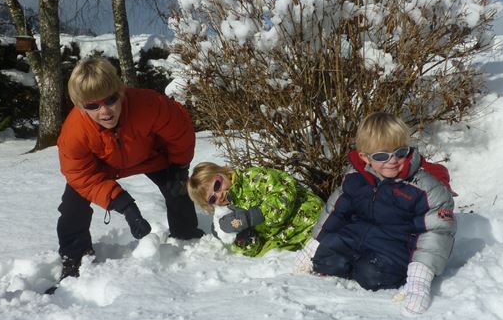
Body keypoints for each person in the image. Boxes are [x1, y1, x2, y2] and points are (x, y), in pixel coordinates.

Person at [55, 57, 203, 281]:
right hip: (103, 167)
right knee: (72, 207)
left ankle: (187, 237)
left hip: (150, 156)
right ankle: (75, 259)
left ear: (121, 91)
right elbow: (81, 176)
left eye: (111, 100)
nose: (104, 111)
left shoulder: (148, 104)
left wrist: (179, 167)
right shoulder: (74, 132)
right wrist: (125, 206)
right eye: (92, 106)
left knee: (178, 189)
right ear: (80, 106)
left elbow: (179, 130)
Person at [305, 112, 456, 314]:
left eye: (400, 152)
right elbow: (336, 212)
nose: (392, 160)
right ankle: (349, 265)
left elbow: (435, 232)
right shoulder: (356, 177)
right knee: (325, 258)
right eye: (381, 156)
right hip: (357, 235)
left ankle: (367, 270)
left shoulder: (424, 187)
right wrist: (313, 245)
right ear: (364, 157)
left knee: (372, 274)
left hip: (395, 245)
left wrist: (419, 279)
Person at [187, 162, 324, 257]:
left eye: (217, 185)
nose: (219, 195)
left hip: (310, 221)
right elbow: (256, 249)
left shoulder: (253, 178)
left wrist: (256, 215)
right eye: (212, 199)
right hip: (289, 243)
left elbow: (285, 193)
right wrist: (242, 237)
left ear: (223, 172)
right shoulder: (229, 212)